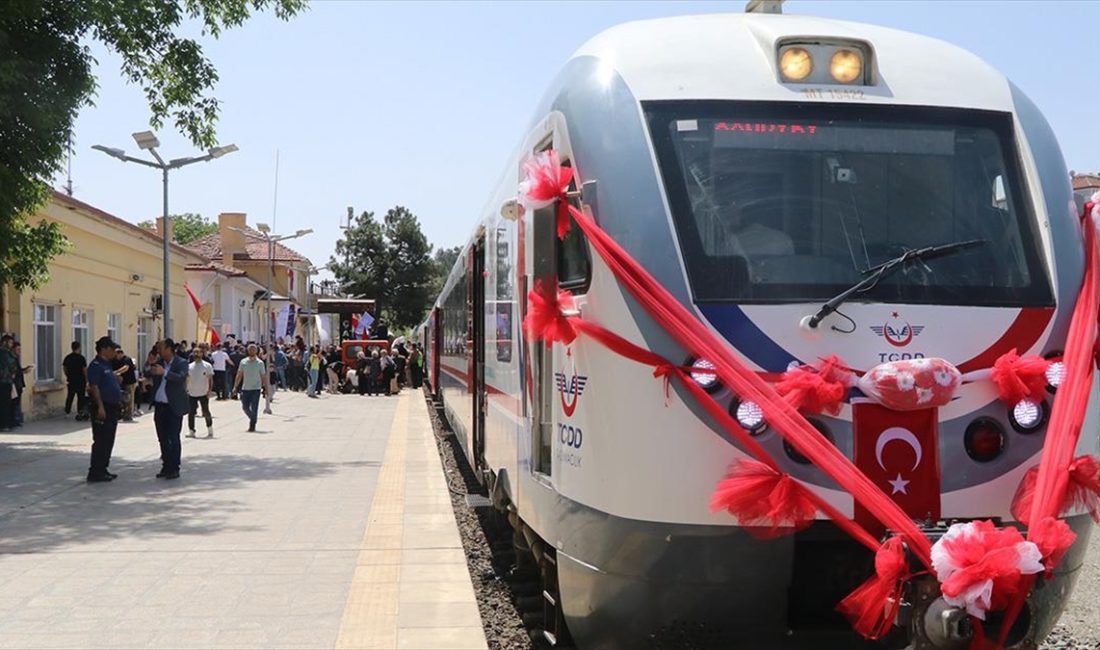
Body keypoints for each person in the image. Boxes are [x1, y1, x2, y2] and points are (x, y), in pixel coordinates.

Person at [148, 338, 189, 479]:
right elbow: (147, 373)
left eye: (161, 348)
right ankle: (166, 466)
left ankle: (174, 468)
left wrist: (164, 372)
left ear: (170, 349)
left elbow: (181, 378)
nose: (159, 350)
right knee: (162, 438)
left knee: (173, 438)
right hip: (160, 406)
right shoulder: (159, 363)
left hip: (173, 406)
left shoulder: (181, 362)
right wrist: (150, 363)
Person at [86, 336, 122, 482]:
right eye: (112, 349)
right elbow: (94, 387)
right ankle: (95, 471)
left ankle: (103, 468)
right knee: (101, 440)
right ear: (104, 349)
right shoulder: (95, 365)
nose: (114, 351)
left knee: (109, 439)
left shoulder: (107, 364)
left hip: (112, 407)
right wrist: (100, 407)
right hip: (102, 407)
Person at [714, 197, 794, 258]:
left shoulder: (732, 240)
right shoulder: (784, 238)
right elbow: (791, 266)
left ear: (744, 218)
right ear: (768, 217)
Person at [232, 344, 270, 432]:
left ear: (256, 351)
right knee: (245, 407)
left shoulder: (260, 363)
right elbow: (239, 375)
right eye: (250, 349)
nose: (252, 351)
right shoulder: (243, 362)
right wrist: (235, 386)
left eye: (254, 349)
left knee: (254, 407)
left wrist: (266, 388)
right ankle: (253, 418)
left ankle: (252, 425)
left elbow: (263, 376)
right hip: (245, 388)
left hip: (256, 389)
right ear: (248, 351)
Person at [186, 350, 215, 438]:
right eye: (195, 353)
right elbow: (186, 379)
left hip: (203, 392)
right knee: (191, 413)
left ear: (202, 354)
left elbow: (210, 379)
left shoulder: (207, 366)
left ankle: (210, 428)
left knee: (206, 411)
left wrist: (209, 390)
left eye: (198, 352)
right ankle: (191, 431)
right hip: (192, 393)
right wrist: (186, 390)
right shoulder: (189, 366)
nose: (196, 354)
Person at [63, 341, 89, 420]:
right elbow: (84, 370)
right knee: (80, 397)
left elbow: (64, 368)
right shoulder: (81, 358)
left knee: (70, 396)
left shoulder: (68, 357)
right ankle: (80, 412)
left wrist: (68, 375)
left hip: (71, 380)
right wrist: (87, 379)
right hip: (80, 380)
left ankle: (67, 412)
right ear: (79, 348)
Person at [114, 348, 138, 422]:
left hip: (129, 382)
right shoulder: (118, 361)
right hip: (123, 382)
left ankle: (128, 415)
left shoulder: (127, 359)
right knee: (124, 399)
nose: (116, 357)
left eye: (116, 355)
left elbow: (126, 368)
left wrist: (116, 372)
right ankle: (124, 414)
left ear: (120, 353)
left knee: (129, 399)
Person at [11, 342, 31, 426]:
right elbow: (15, 372)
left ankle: (17, 419)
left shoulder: (16, 358)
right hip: (14, 384)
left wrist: (25, 369)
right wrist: (23, 371)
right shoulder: (12, 359)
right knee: (14, 403)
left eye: (20, 349)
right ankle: (14, 420)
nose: (19, 351)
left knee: (17, 402)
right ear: (13, 349)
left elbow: (19, 370)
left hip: (19, 384)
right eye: (17, 349)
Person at [0, 334, 16, 432]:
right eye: (10, 343)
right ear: (5, 342)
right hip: (5, 381)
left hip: (4, 380)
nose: (11, 345)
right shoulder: (5, 353)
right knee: (5, 403)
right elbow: (11, 365)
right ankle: (5, 424)